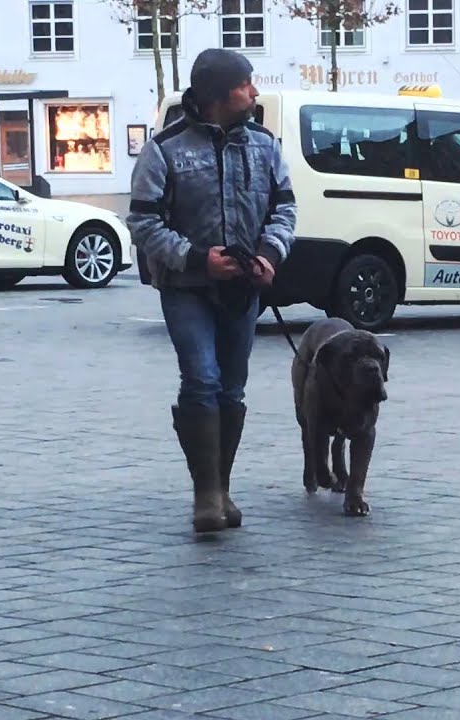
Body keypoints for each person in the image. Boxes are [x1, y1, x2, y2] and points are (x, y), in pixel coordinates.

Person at [126, 48, 297, 534]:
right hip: (186, 288)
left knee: (232, 388)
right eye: (248, 84)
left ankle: (222, 485)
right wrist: (198, 258)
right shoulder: (165, 149)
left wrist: (268, 255)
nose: (255, 92)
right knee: (201, 379)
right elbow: (143, 220)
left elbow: (285, 208)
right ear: (222, 94)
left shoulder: (264, 144)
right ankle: (205, 496)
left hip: (242, 288)